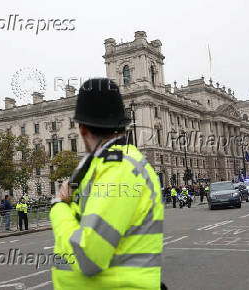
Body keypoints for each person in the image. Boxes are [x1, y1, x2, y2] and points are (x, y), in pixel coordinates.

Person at [49, 78, 164, 289]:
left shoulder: (119, 169)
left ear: (82, 130)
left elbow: (89, 257)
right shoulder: (104, 165)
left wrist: (58, 207)